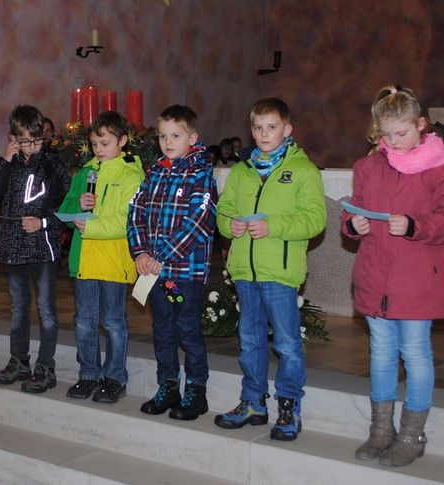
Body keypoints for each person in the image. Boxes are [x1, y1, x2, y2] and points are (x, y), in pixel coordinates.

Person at [341, 85, 444, 466]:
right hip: (376, 274)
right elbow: (354, 208)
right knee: (380, 353)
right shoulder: (368, 166)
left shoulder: (443, 168)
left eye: (403, 133)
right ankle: (381, 430)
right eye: (386, 135)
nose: (394, 143)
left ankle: (412, 433)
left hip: (416, 277)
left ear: (422, 126)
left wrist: (415, 225)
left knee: (415, 352)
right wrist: (354, 223)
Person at [214, 97, 326, 440]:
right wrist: (228, 225)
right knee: (250, 342)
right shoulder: (241, 172)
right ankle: (253, 402)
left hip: (278, 272)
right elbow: (224, 210)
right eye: (258, 128)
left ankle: (289, 406)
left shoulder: (304, 171)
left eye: (272, 127)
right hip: (245, 272)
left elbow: (315, 220)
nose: (264, 133)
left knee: (288, 344)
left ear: (287, 130)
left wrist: (271, 226)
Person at [128, 104, 217, 420]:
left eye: (175, 136)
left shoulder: (201, 173)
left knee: (187, 329)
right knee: (162, 329)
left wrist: (160, 256)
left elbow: (198, 221)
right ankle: (168, 384)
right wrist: (140, 253)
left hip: (184, 271)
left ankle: (196, 389)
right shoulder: (153, 172)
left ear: (192, 137)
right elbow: (135, 212)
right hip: (153, 270)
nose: (168, 142)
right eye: (163, 136)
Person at [0, 105, 71, 393]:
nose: (31, 147)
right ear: (13, 139)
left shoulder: (52, 165)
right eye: (24, 142)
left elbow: (67, 206)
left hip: (42, 247)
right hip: (13, 245)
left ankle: (46, 368)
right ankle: (19, 362)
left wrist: (43, 221)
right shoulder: (7, 165)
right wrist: (4, 162)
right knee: (18, 307)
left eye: (37, 140)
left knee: (45, 309)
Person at [59, 111, 145, 403]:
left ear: (122, 141)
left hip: (112, 260)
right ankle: (88, 374)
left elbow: (127, 221)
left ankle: (115, 377)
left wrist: (92, 226)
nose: (99, 149)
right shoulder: (86, 173)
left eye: (105, 143)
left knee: (113, 322)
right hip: (84, 259)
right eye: (95, 143)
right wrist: (78, 205)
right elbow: (68, 209)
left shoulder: (132, 176)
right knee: (84, 321)